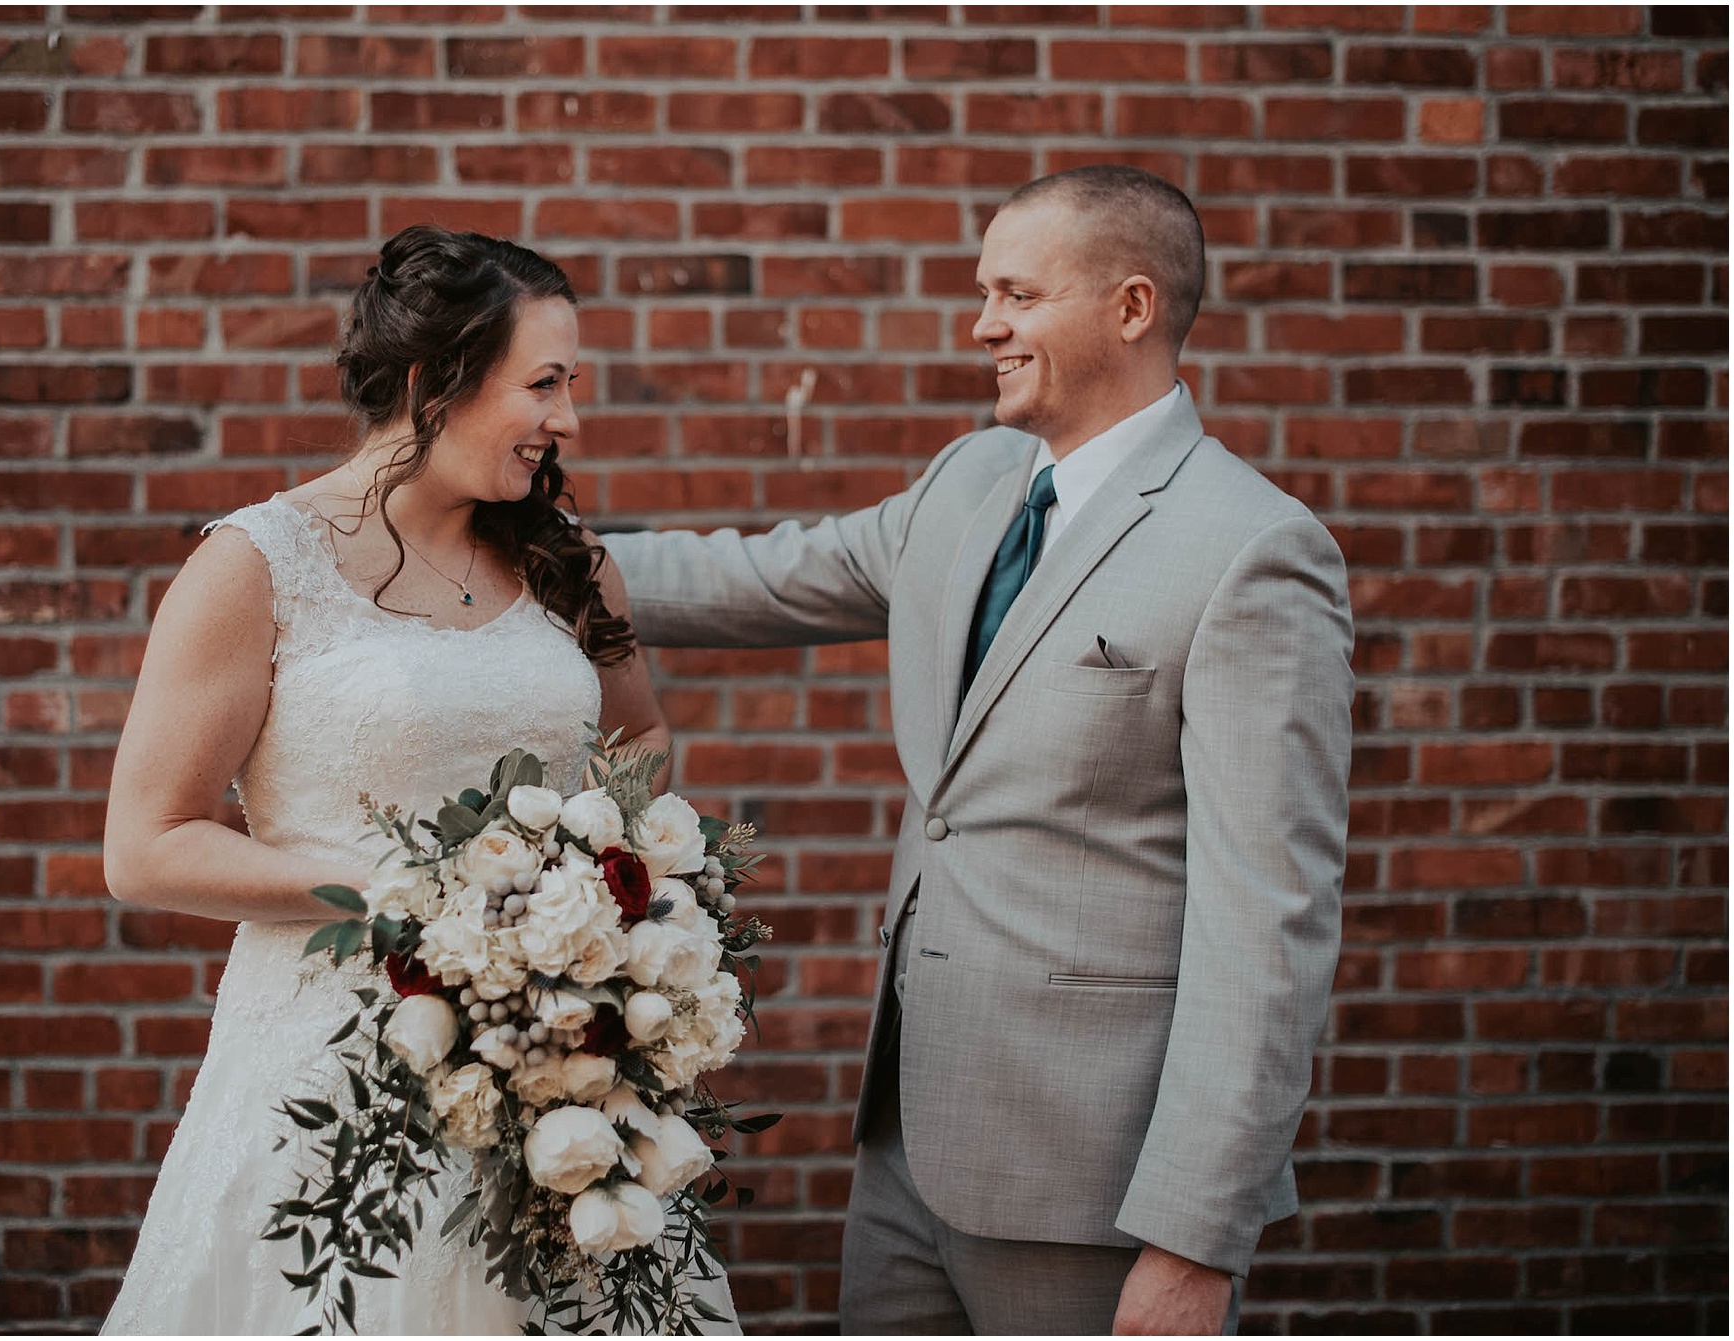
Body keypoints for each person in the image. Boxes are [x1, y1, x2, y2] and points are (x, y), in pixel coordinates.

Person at [600, 166, 1353, 1334]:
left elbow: (1269, 922)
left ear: (1131, 307)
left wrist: (1195, 1236)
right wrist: (504, 545)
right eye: (980, 290)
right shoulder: (970, 481)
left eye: (1015, 293)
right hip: (906, 1142)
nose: (981, 324)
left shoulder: (1251, 550)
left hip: (1091, 1192)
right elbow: (757, 576)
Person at [98, 226, 736, 1333]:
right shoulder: (253, 567)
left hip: (551, 1056)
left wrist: (589, 897)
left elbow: (637, 745)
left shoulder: (562, 557)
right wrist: (405, 903)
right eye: (543, 384)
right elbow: (146, 848)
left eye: (570, 385)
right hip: (335, 1055)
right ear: (429, 382)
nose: (568, 420)